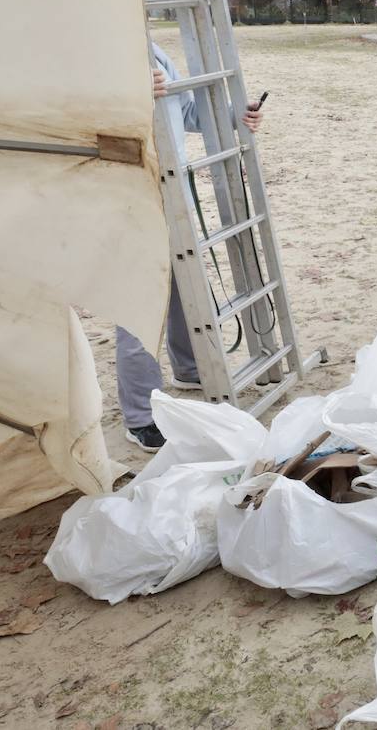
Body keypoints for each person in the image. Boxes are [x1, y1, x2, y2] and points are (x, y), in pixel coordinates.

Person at [116, 42, 264, 452]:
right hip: (131, 189)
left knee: (183, 283)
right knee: (140, 300)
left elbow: (187, 114)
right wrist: (127, 93)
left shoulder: (151, 46)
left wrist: (237, 116)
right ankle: (141, 416)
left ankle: (188, 366)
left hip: (172, 188)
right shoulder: (93, 42)